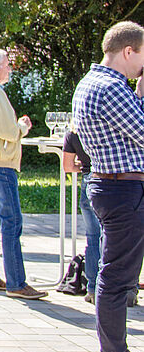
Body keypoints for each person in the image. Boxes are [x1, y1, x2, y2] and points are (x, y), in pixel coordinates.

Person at [72, 20, 144, 352]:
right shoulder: (112, 88)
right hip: (123, 190)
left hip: (111, 186)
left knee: (115, 278)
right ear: (128, 51)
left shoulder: (92, 82)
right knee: (117, 282)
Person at [0, 49, 47, 299]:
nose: (10, 69)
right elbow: (7, 131)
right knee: (12, 222)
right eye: (7, 65)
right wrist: (22, 127)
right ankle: (16, 282)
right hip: (1, 165)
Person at [62, 129, 103, 302]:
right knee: (110, 237)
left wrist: (82, 166)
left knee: (92, 237)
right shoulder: (103, 127)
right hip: (105, 178)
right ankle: (110, 288)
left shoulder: (73, 133)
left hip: (87, 180)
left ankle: (92, 288)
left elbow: (68, 167)